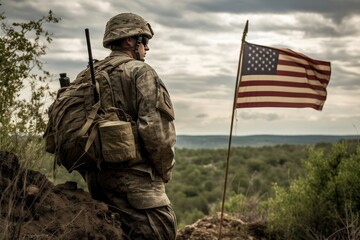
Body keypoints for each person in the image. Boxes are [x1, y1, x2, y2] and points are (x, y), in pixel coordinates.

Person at [83, 13, 177, 239]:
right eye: (144, 41)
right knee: (163, 232)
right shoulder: (140, 71)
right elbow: (155, 131)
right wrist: (165, 170)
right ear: (129, 41)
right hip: (137, 186)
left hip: (96, 183)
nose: (147, 48)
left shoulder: (88, 75)